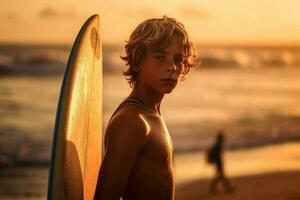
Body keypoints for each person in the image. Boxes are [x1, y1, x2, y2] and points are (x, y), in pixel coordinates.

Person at [94, 16, 197, 200]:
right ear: (136, 61)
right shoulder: (132, 122)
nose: (172, 67)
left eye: (178, 59)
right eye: (160, 57)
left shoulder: (151, 114)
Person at [206, 129, 233, 194]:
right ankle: (225, 188)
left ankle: (225, 188)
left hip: (217, 162)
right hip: (218, 163)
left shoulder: (217, 145)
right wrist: (220, 162)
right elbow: (218, 156)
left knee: (221, 175)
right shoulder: (218, 145)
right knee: (221, 175)